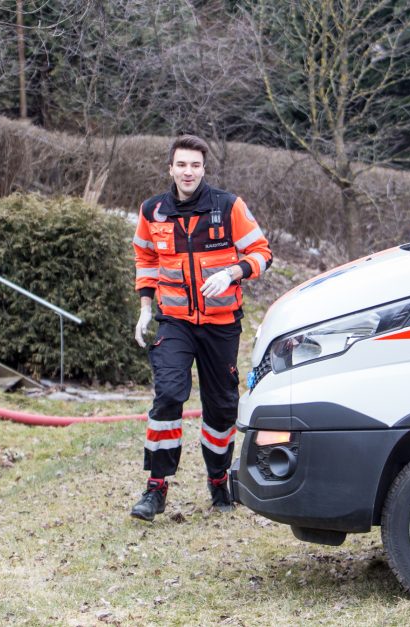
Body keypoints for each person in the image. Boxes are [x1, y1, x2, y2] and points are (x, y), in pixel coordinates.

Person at [130, 134, 273, 522]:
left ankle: (217, 479)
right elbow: (145, 257)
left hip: (221, 324)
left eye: (195, 165)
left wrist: (233, 272)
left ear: (203, 169)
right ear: (170, 168)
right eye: (181, 164)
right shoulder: (153, 211)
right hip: (173, 321)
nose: (188, 171)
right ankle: (156, 488)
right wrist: (146, 306)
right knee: (169, 396)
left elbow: (262, 253)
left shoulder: (228, 207)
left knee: (222, 407)